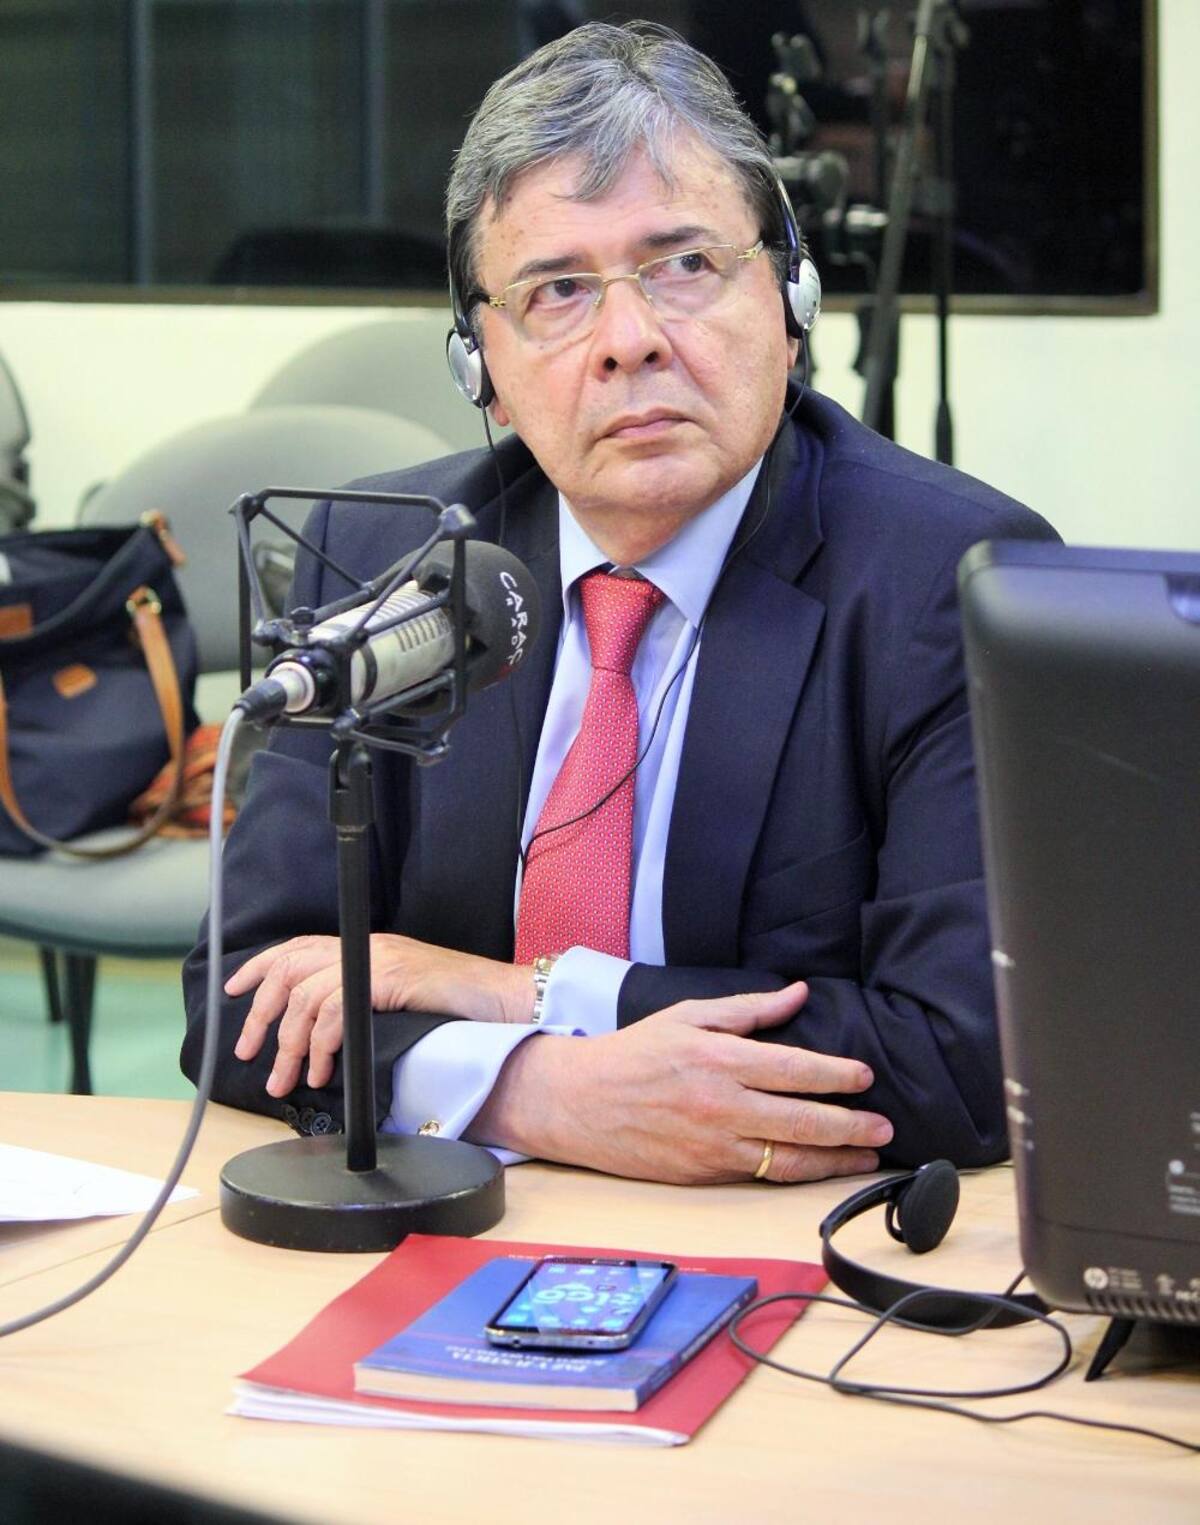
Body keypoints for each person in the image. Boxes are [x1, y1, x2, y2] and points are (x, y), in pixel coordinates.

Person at [181, 21, 1057, 1186]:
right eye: (557, 291)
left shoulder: (949, 578)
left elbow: (962, 1053)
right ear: (480, 364)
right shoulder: (382, 559)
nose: (629, 342)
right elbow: (243, 1002)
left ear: (790, 299)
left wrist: (524, 994)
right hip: (454, 1207)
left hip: (767, 1223)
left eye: (684, 265)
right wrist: (537, 1089)